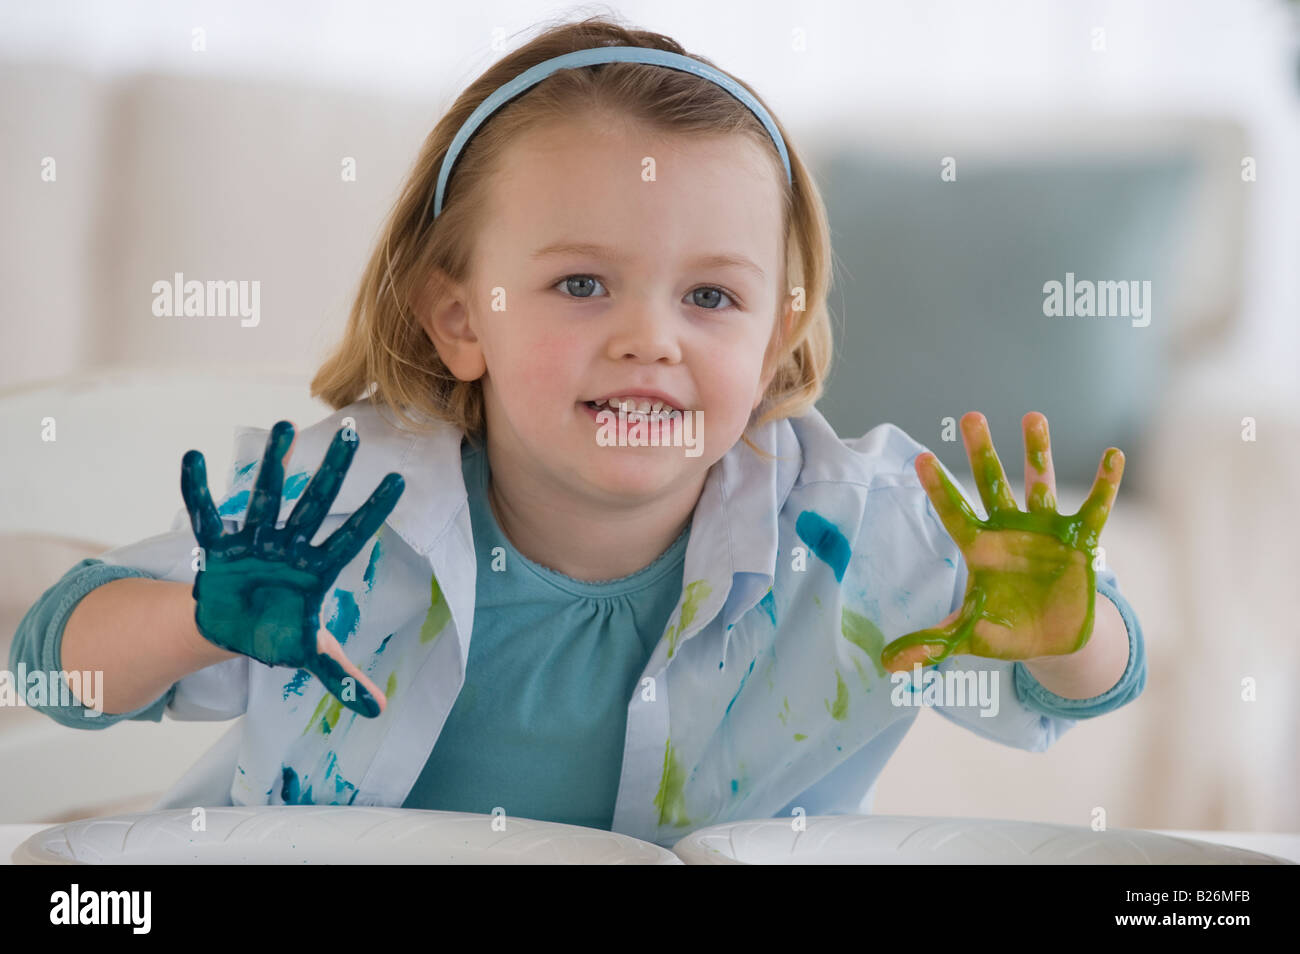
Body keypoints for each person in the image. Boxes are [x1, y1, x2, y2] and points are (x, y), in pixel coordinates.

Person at [10, 15, 1145, 849]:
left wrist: (1066, 627)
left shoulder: (853, 531)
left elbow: (1084, 687)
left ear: (776, 332)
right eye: (582, 285)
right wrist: (201, 620)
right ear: (459, 317)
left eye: (711, 298)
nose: (650, 340)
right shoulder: (326, 521)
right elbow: (50, 674)